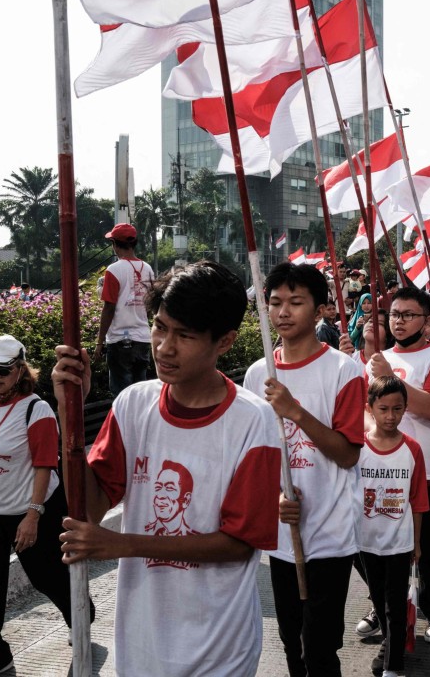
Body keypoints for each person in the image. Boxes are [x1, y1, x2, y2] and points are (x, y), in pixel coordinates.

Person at [53, 261, 282, 676]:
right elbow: (87, 511)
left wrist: (123, 544)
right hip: (141, 643)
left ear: (225, 342)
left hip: (218, 649)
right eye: (160, 327)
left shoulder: (254, 421)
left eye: (185, 335)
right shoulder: (133, 404)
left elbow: (240, 544)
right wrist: (69, 415)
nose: (164, 347)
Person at [244, 262, 365, 677]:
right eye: (275, 302)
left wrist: (296, 411)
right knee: (291, 641)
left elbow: (348, 454)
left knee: (320, 647)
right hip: (281, 537)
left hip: (330, 533)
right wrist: (275, 498)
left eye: (296, 302)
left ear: (319, 310)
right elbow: (255, 457)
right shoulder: (258, 373)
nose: (283, 312)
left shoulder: (344, 371)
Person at [0, 336, 78, 677]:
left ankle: (81, 617)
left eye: (4, 370)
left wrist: (33, 515)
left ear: (20, 370)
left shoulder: (35, 409)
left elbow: (44, 465)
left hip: (33, 509)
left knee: (48, 577)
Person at [366, 287, 430, 643]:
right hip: (383, 472)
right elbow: (366, 411)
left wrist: (391, 375)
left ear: (426, 321)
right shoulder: (379, 359)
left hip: (429, 472)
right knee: (381, 545)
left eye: (408, 315)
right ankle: (383, 606)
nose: (399, 321)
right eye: (394, 314)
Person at [359, 376, 428, 677]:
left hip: (399, 542)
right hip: (364, 542)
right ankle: (391, 641)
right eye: (383, 408)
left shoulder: (412, 449)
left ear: (405, 409)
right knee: (378, 597)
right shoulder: (357, 448)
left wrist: (417, 542)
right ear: (370, 408)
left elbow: (419, 500)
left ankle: (394, 667)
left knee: (395, 603)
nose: (390, 416)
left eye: (397, 409)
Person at [95, 223, 155, 397]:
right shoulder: (148, 269)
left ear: (114, 244)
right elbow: (151, 304)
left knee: (122, 396)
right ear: (134, 242)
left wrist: (100, 342)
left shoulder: (114, 270)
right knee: (140, 395)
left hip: (120, 340)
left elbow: (109, 307)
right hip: (143, 339)